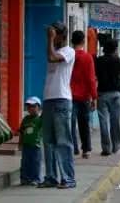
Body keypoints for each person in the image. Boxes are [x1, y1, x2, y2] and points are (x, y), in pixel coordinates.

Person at [39, 22, 76, 189]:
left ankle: (68, 178)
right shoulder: (54, 50)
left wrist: (50, 39)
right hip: (49, 99)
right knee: (48, 142)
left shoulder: (69, 51)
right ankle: (51, 177)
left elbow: (52, 57)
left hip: (61, 100)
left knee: (63, 141)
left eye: (54, 34)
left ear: (61, 35)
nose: (51, 36)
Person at [95, 39, 120, 156]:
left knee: (103, 122)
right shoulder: (118, 61)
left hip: (102, 93)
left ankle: (106, 147)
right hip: (115, 94)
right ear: (115, 49)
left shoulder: (98, 61)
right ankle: (116, 144)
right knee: (115, 120)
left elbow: (95, 75)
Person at [70, 30, 97, 159]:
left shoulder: (69, 56)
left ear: (71, 41)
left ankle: (73, 147)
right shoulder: (87, 58)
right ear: (83, 41)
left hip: (69, 94)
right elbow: (91, 78)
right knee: (84, 124)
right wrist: (94, 96)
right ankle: (86, 149)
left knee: (70, 122)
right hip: (84, 95)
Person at [19, 97, 43, 186]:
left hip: (36, 146)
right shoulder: (25, 119)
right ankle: (24, 178)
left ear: (39, 107)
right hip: (26, 145)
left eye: (33, 106)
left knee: (36, 163)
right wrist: (20, 144)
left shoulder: (40, 119)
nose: (31, 108)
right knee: (25, 162)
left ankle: (36, 179)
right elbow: (21, 132)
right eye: (28, 106)